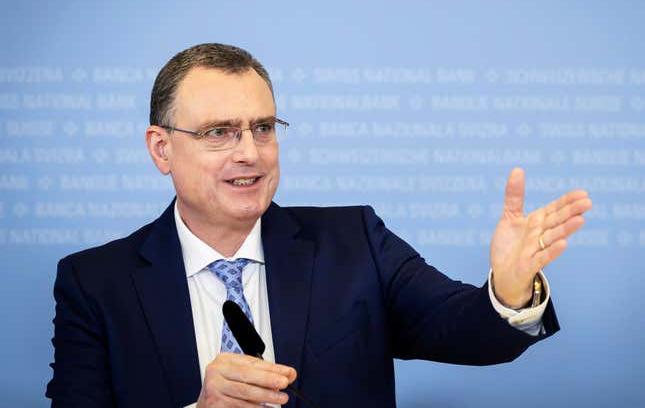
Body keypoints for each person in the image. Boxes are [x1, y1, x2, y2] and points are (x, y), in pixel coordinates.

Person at [46, 43, 592, 408]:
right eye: (219, 132)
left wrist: (511, 288)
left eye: (262, 128)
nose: (249, 153)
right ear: (161, 148)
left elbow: (467, 331)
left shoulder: (355, 242)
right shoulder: (95, 283)